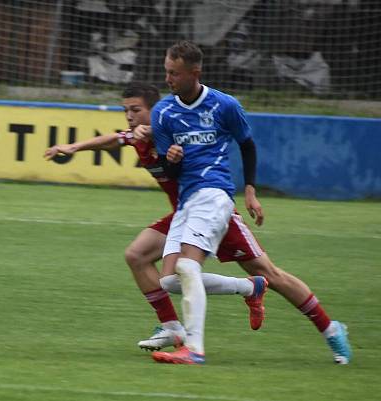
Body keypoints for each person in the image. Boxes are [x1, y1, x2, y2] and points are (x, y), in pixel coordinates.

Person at [44, 81, 352, 365]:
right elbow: (113, 139)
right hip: (183, 214)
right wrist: (72, 147)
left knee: (272, 274)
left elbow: (207, 157)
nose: (129, 117)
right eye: (125, 111)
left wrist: (239, 186)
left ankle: (330, 328)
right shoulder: (139, 137)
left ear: (157, 110)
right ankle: (175, 326)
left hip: (214, 211)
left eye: (136, 110)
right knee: (141, 259)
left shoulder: (178, 128)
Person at [147, 41, 350, 364]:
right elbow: (170, 171)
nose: (168, 79)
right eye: (166, 72)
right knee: (172, 279)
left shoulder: (224, 105)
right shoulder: (164, 113)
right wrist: (171, 159)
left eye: (174, 73)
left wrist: (251, 190)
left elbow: (248, 145)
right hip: (188, 205)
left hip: (214, 198)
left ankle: (195, 349)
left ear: (194, 73)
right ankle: (254, 290)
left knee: (189, 267)